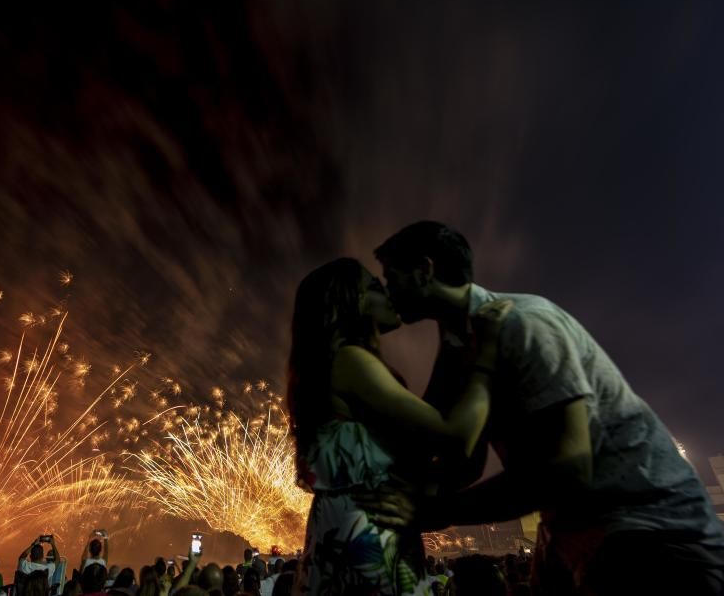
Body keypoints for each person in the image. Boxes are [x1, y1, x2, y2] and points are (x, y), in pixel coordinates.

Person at [357, 221, 724, 594]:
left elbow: (568, 471)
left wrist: (434, 512)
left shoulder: (523, 323)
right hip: (577, 532)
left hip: (651, 534)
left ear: (424, 271)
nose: (387, 290)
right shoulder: (460, 344)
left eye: (392, 277)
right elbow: (461, 456)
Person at [288, 257, 510, 595]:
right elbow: (453, 437)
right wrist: (488, 355)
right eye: (375, 286)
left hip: (348, 536)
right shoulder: (351, 361)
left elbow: (424, 431)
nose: (387, 291)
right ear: (352, 301)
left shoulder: (333, 368)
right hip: (369, 544)